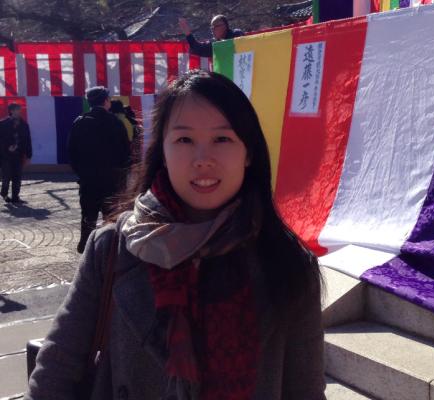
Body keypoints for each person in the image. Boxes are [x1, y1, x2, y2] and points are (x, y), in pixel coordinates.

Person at [26, 70, 326, 399]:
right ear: (163, 153)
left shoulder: (287, 263)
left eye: (222, 139)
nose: (203, 160)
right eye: (184, 140)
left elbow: (305, 391)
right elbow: (57, 365)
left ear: (249, 153)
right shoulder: (112, 248)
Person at [68, 87, 131, 254]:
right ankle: (110, 248)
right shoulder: (115, 122)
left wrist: (81, 172)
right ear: (106, 101)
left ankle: (86, 246)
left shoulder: (80, 122)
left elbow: (72, 152)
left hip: (88, 179)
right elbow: (125, 152)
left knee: (88, 215)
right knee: (111, 217)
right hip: (111, 179)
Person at [0, 103, 32, 204]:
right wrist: (7, 147)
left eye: (20, 109)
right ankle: (4, 193)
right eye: (17, 110)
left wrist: (28, 154)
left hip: (18, 155)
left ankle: (15, 197)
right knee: (6, 177)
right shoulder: (3, 124)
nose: (19, 111)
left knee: (17, 177)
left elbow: (27, 140)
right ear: (11, 111)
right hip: (6, 156)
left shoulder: (24, 124)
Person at [179, 14, 244, 57]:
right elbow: (198, 48)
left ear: (225, 26)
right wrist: (188, 34)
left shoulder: (236, 34)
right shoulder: (215, 44)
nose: (213, 30)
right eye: (212, 27)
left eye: (216, 26)